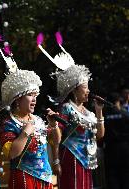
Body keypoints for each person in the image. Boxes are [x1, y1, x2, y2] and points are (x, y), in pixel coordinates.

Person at [37, 32, 105, 189]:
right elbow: (56, 138)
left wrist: (99, 111)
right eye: (85, 88)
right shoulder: (67, 109)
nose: (88, 91)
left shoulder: (89, 113)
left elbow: (100, 135)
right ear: (75, 90)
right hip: (71, 159)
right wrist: (55, 160)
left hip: (88, 160)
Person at [0, 36, 60, 189]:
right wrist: (25, 133)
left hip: (45, 177)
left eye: (35, 96)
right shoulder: (9, 123)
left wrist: (54, 124)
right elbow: (11, 154)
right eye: (30, 95)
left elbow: (55, 141)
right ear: (17, 99)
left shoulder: (37, 119)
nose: (34, 99)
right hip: (24, 178)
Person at [104, 91, 129, 189]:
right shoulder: (125, 114)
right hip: (125, 148)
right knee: (126, 175)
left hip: (111, 149)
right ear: (118, 101)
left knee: (112, 175)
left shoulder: (104, 116)